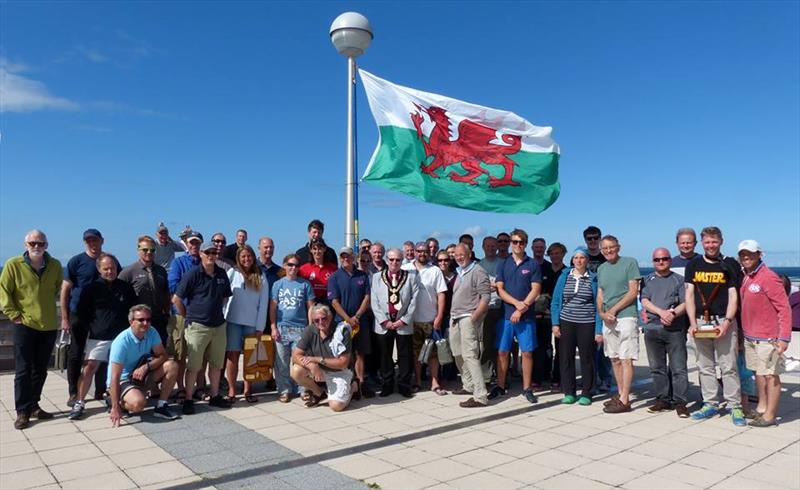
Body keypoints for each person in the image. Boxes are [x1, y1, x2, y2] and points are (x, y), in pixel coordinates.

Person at [0, 230, 63, 430]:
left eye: (41, 243)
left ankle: (34, 405)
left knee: (41, 370)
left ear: (46, 245)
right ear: (25, 244)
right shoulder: (13, 265)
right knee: (23, 370)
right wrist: (14, 315)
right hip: (24, 325)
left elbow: (56, 289)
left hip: (48, 325)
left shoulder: (55, 266)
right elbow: (3, 292)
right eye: (33, 243)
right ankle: (22, 411)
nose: (37, 246)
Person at [685, 226, 745, 426]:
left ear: (721, 242)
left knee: (729, 366)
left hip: (723, 321)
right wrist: (692, 323)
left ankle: (734, 405)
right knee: (705, 366)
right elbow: (689, 294)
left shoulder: (729, 264)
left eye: (714, 242)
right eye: (707, 242)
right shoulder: (693, 264)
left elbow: (733, 295)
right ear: (702, 243)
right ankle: (710, 403)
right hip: (701, 321)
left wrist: (728, 322)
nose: (711, 245)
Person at [69, 253, 137, 420]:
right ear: (99, 270)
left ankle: (112, 398)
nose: (110, 271)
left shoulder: (125, 287)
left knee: (116, 370)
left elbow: (134, 309)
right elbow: (82, 312)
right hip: (99, 336)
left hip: (121, 337)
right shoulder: (91, 289)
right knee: (90, 368)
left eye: (112, 268)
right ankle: (79, 401)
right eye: (106, 268)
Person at [61, 228, 121, 406]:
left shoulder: (111, 260)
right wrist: (64, 318)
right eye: (89, 241)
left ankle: (101, 390)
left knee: (103, 353)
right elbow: (65, 290)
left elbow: (119, 281)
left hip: (103, 316)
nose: (92, 243)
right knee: (76, 353)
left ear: (102, 240)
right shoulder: (76, 261)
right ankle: (73, 392)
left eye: (95, 240)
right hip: (79, 313)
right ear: (85, 242)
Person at [172, 241, 233, 414]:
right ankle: (189, 399)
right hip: (197, 326)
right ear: (201, 254)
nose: (211, 256)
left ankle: (214, 396)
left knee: (216, 364)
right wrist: (187, 316)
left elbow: (225, 297)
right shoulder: (193, 274)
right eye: (208, 252)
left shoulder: (222, 273)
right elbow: (176, 299)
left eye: (214, 253)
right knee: (194, 366)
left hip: (218, 326)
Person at [737, 240, 792, 427]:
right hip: (751, 337)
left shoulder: (768, 277)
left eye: (750, 253)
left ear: (759, 254)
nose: (746, 257)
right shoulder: (746, 276)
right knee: (759, 374)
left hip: (768, 337)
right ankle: (761, 408)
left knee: (770, 375)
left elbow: (784, 308)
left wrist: (784, 337)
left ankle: (770, 415)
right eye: (743, 254)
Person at [107, 304, 181, 426]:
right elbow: (114, 377)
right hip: (122, 379)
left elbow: (163, 355)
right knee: (138, 404)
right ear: (131, 321)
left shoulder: (152, 332)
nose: (145, 323)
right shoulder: (121, 342)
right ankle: (114, 401)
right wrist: (115, 408)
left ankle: (161, 406)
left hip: (141, 375)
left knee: (172, 365)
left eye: (148, 319)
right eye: (141, 320)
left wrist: (147, 366)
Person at [492, 228, 542, 404]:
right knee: (502, 352)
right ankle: (500, 385)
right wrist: (516, 305)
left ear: (525, 244)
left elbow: (536, 289)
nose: (517, 245)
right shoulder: (503, 263)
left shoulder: (533, 264)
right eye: (514, 242)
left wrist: (522, 309)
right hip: (506, 315)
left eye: (521, 242)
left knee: (527, 353)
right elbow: (500, 289)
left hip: (526, 317)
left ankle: (527, 388)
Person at [640, 248, 690, 418]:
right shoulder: (647, 280)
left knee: (678, 368)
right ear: (653, 261)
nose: (661, 262)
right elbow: (644, 300)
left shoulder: (679, 280)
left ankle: (680, 402)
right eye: (657, 259)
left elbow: (686, 303)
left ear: (670, 260)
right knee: (657, 368)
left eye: (664, 258)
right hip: (652, 329)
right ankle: (663, 399)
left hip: (675, 329)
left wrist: (672, 313)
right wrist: (661, 312)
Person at [550, 247, 602, 405]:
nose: (579, 261)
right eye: (576, 258)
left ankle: (587, 392)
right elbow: (556, 302)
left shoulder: (593, 278)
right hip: (567, 321)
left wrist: (599, 330)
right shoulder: (565, 276)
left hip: (587, 322)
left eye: (582, 258)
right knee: (566, 358)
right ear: (572, 260)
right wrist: (555, 323)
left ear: (587, 260)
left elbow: (599, 306)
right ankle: (569, 392)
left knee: (587, 358)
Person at [597, 235, 641, 414]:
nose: (609, 251)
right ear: (601, 250)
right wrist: (601, 312)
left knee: (626, 358)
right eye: (605, 248)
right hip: (608, 319)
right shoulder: (601, 268)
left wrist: (613, 310)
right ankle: (621, 393)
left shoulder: (630, 263)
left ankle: (625, 399)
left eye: (611, 247)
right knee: (614, 358)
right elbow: (601, 294)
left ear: (618, 247)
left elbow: (633, 292)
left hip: (625, 316)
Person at [223, 245, 270, 403]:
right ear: (238, 258)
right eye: (243, 256)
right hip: (233, 321)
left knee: (251, 358)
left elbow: (263, 304)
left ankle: (247, 389)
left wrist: (260, 327)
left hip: (251, 323)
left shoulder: (260, 276)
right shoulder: (232, 273)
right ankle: (231, 390)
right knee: (232, 356)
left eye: (249, 256)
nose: (246, 259)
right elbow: (224, 298)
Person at [371, 248, 419, 397]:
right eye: (391, 259)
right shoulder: (377, 277)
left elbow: (414, 300)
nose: (394, 263)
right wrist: (384, 321)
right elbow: (374, 301)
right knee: (385, 356)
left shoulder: (411, 277)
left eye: (398, 260)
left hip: (403, 324)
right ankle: (387, 384)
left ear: (402, 260)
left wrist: (403, 320)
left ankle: (404, 384)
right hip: (384, 324)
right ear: (387, 260)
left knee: (405, 356)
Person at [327, 246, 373, 399]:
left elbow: (367, 297)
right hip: (342, 323)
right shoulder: (334, 277)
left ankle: (360, 384)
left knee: (360, 354)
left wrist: (357, 316)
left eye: (348, 256)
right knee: (345, 355)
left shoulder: (362, 275)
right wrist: (348, 319)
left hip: (361, 322)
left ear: (354, 257)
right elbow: (334, 302)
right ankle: (348, 385)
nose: (345, 259)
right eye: (343, 256)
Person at [403, 242, 448, 394]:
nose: (422, 253)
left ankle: (435, 381)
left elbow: (441, 294)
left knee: (433, 353)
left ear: (428, 253)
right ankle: (417, 381)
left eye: (424, 251)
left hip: (430, 319)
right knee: (416, 353)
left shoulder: (435, 270)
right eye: (419, 251)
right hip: (412, 320)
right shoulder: (406, 269)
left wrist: (439, 316)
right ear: (414, 252)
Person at [450, 244, 492, 407]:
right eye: (456, 254)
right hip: (455, 317)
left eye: (462, 254)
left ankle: (480, 395)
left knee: (470, 355)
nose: (459, 257)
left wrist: (474, 317)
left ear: (470, 254)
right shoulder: (460, 271)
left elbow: (486, 297)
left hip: (468, 317)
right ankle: (468, 385)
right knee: (457, 352)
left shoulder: (478, 271)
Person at [291, 304, 354, 411]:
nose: (320, 322)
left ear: (330, 317)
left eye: (324, 318)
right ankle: (319, 393)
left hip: (339, 371)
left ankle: (353, 387)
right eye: (316, 320)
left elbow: (343, 363)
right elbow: (295, 355)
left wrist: (318, 360)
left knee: (336, 407)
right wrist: (312, 366)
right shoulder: (310, 330)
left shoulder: (342, 331)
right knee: (296, 370)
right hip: (320, 370)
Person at [270, 254, 315, 402]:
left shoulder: (305, 284)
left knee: (300, 361)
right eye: (290, 264)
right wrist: (273, 327)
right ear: (284, 265)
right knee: (282, 361)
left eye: (296, 265)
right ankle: (285, 390)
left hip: (300, 329)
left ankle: (303, 389)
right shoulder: (278, 284)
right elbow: (273, 308)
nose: (293, 268)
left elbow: (310, 307)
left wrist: (310, 328)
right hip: (282, 328)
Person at [167, 231, 203, 395]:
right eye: (191, 243)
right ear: (186, 245)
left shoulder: (204, 262)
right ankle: (181, 388)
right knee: (180, 354)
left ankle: (199, 386)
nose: (194, 246)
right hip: (181, 314)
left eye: (197, 243)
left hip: (200, 316)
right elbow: (173, 285)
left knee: (199, 354)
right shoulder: (178, 262)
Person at [119, 235, 171, 345]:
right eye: (145, 249)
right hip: (139, 321)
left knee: (160, 352)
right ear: (138, 250)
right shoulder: (128, 271)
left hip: (158, 320)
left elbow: (166, 292)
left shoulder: (161, 271)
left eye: (152, 250)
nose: (149, 252)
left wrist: (166, 313)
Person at [542, 242, 568, 392]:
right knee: (544, 346)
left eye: (557, 253)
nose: (555, 256)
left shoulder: (567, 272)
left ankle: (558, 378)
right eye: (552, 253)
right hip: (543, 314)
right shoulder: (544, 269)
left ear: (563, 254)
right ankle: (545, 375)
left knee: (561, 348)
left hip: (561, 313)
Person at [531, 237, 553, 390]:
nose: (539, 249)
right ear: (532, 248)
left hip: (547, 313)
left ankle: (546, 373)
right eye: (536, 247)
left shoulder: (549, 267)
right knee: (532, 346)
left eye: (541, 247)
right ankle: (534, 375)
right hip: (530, 311)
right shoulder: (529, 264)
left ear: (544, 249)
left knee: (546, 345)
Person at [479, 236, 501, 382]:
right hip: (485, 309)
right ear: (483, 247)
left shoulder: (504, 264)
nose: (491, 248)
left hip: (501, 308)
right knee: (485, 344)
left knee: (500, 344)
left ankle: (501, 376)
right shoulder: (478, 266)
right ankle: (486, 376)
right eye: (488, 246)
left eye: (493, 246)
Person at [299, 238, 337, 304]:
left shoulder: (333, 269)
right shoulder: (303, 269)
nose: (317, 251)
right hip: (310, 303)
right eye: (314, 249)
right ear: (310, 250)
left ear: (324, 249)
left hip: (328, 303)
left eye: (320, 249)